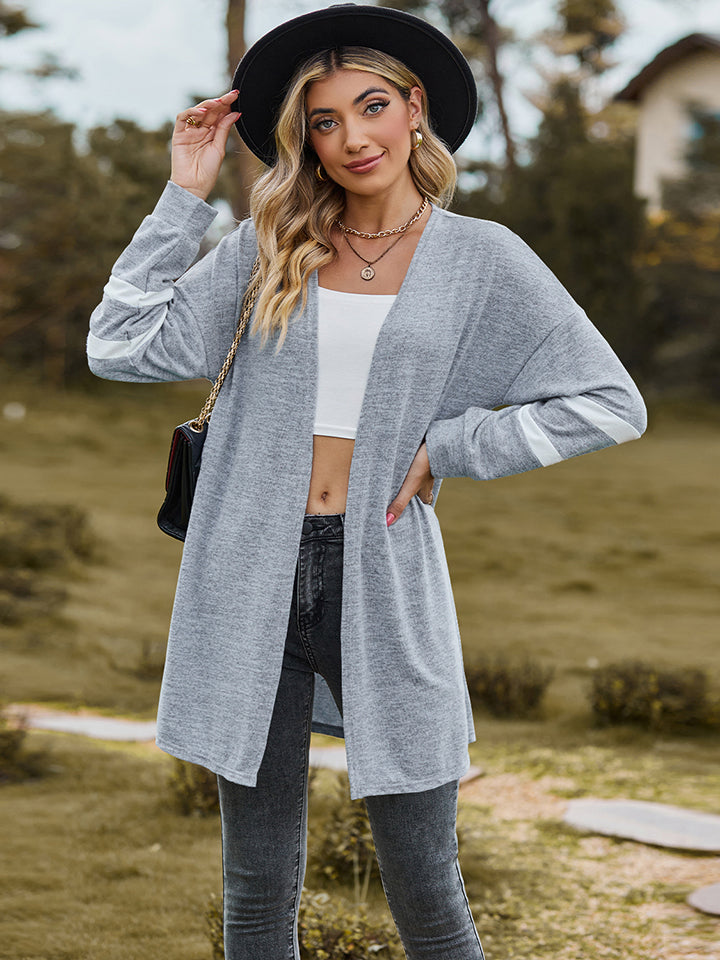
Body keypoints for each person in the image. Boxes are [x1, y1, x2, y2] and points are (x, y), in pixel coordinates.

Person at [87, 5, 647, 958]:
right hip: (248, 570)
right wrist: (184, 193)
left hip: (382, 574)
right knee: (256, 887)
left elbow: (609, 403)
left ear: (414, 108)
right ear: (304, 139)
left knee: (427, 887)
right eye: (324, 121)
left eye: (372, 106)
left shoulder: (485, 258)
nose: (352, 137)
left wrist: (456, 446)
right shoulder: (272, 244)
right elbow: (119, 346)